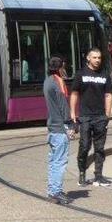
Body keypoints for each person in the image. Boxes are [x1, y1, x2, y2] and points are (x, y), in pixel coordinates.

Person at [71, 47, 112, 186]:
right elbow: (75, 94)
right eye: (94, 57)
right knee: (84, 146)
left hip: (100, 117)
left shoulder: (105, 74)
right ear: (88, 58)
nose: (97, 60)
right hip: (85, 116)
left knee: (100, 148)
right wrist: (73, 113)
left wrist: (107, 115)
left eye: (99, 58)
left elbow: (108, 95)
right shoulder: (81, 74)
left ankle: (99, 175)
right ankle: (82, 173)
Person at [43, 54, 74, 205]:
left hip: (52, 126)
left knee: (53, 160)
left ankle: (52, 190)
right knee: (60, 161)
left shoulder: (47, 81)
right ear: (60, 67)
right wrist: (70, 125)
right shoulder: (58, 82)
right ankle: (56, 191)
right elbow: (63, 105)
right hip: (60, 127)